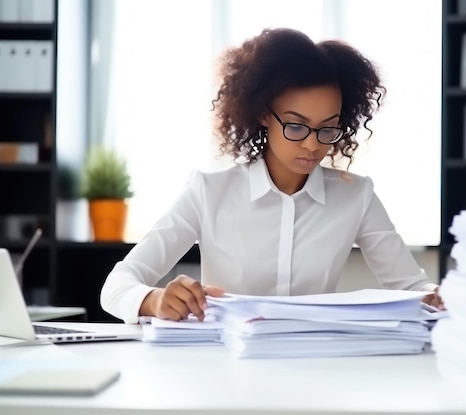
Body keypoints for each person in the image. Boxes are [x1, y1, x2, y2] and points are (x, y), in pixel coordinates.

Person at [100, 28, 443, 324]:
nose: (312, 144)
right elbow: (117, 286)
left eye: (328, 128)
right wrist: (155, 300)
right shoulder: (209, 192)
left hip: (316, 365)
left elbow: (413, 288)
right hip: (225, 368)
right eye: (296, 125)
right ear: (264, 114)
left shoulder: (357, 196)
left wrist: (438, 297)